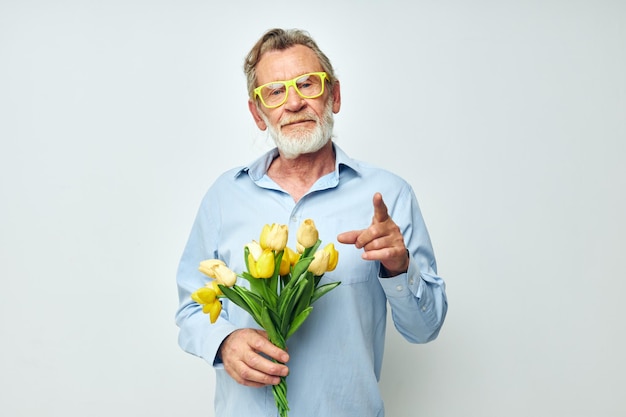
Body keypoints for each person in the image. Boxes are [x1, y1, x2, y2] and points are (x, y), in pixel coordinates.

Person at [175, 28, 448, 417]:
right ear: (258, 113)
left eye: (307, 84)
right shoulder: (224, 197)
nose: (294, 103)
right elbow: (190, 307)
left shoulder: (390, 195)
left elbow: (426, 328)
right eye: (275, 92)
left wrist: (399, 267)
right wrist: (224, 342)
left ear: (334, 95)